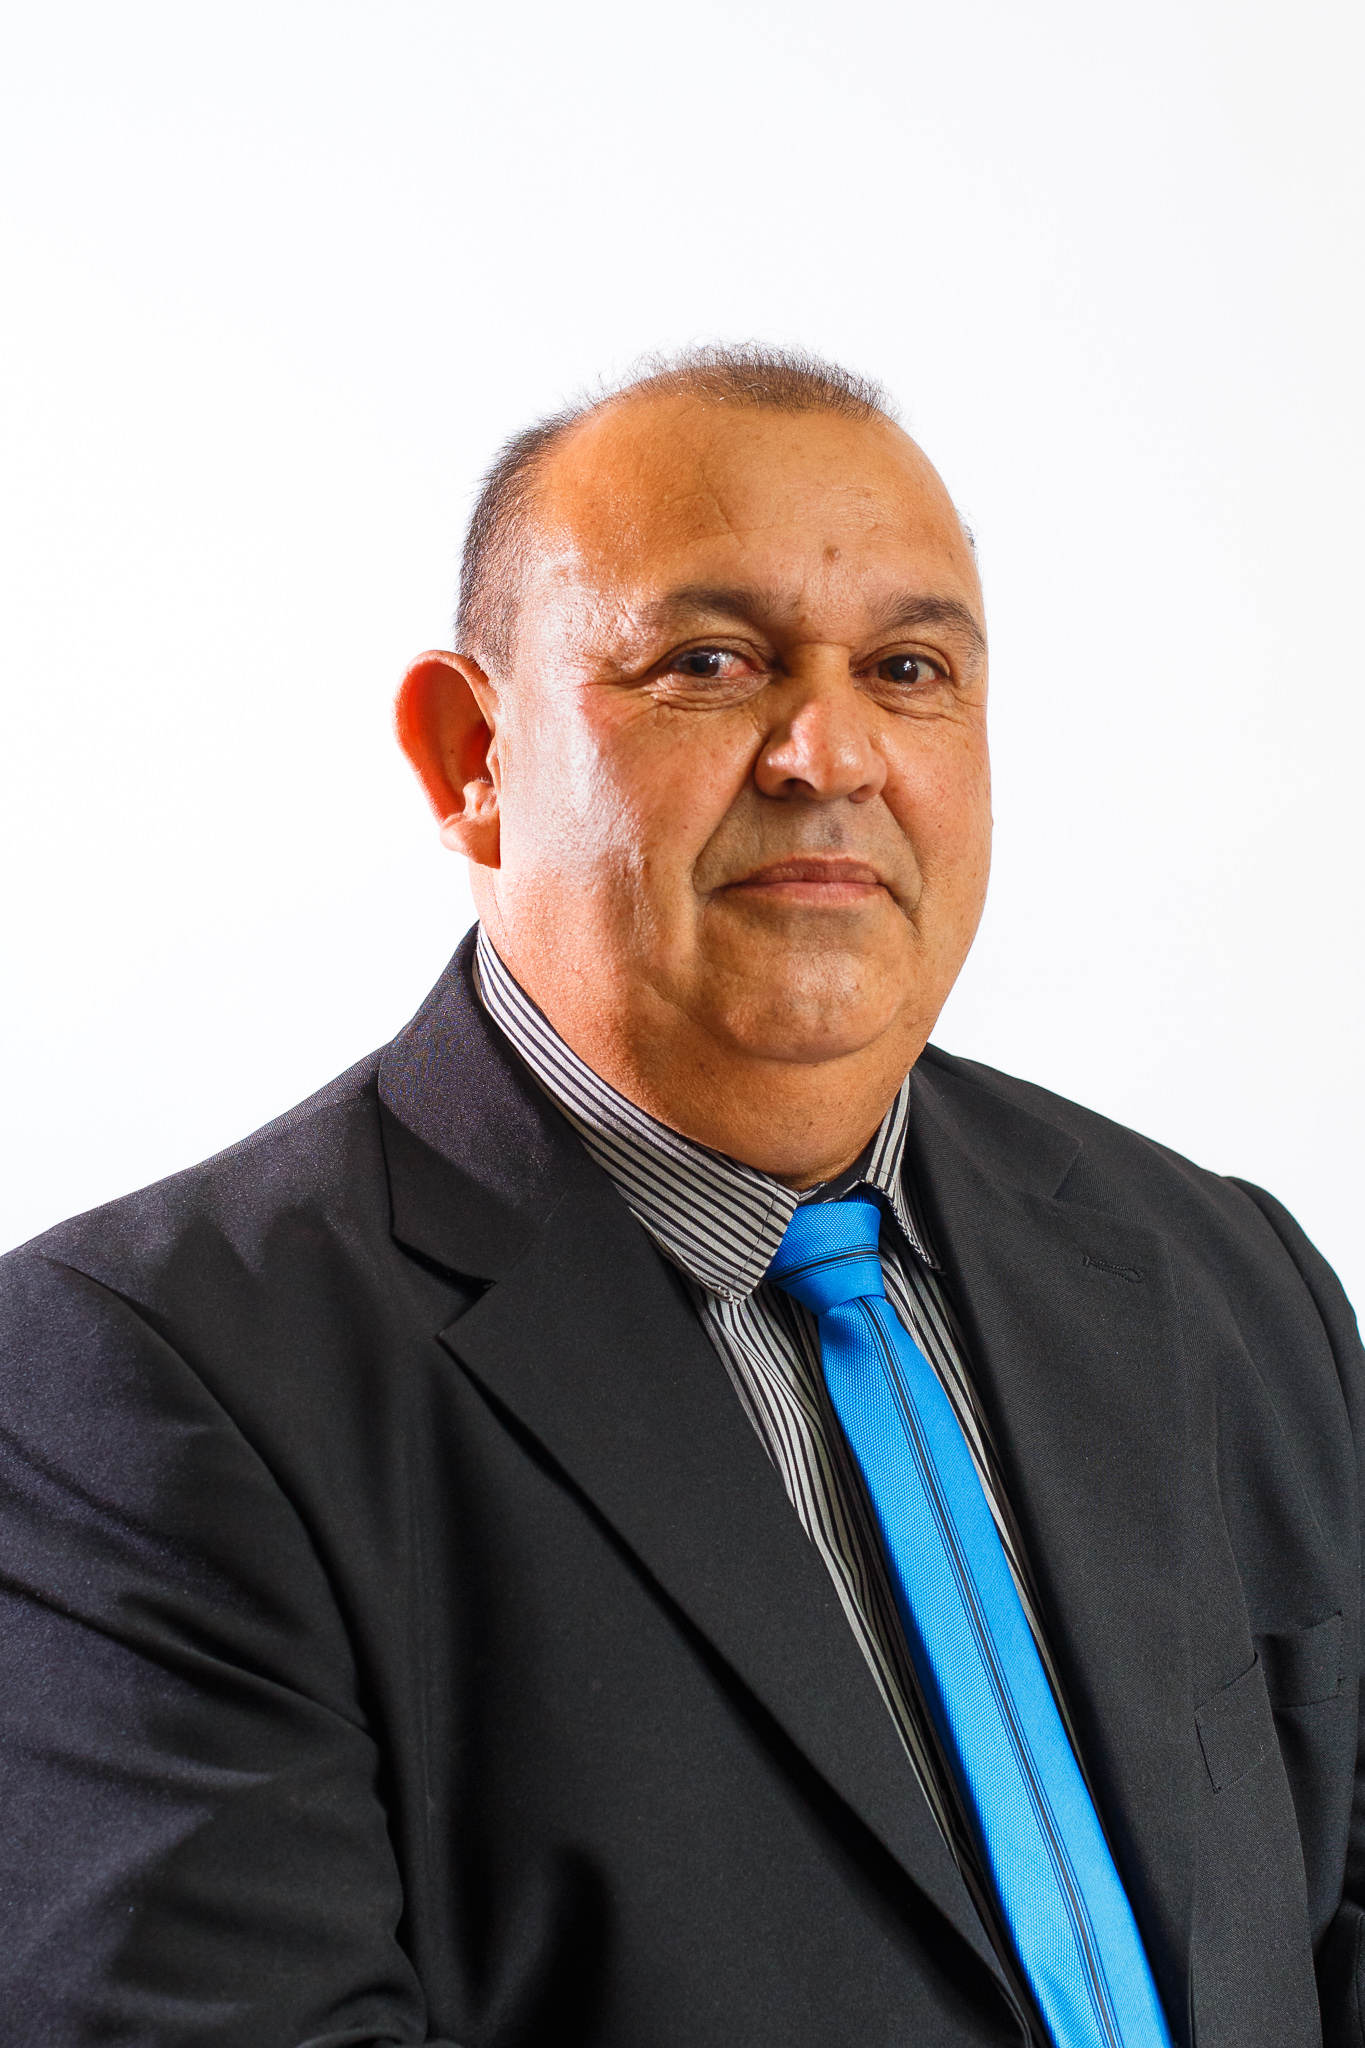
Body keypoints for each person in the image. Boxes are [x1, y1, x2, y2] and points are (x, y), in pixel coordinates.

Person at [1, 345, 1360, 2048]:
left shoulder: (1225, 1275)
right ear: (468, 756)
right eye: (710, 664)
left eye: (908, 669)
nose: (829, 752)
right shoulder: (130, 1391)